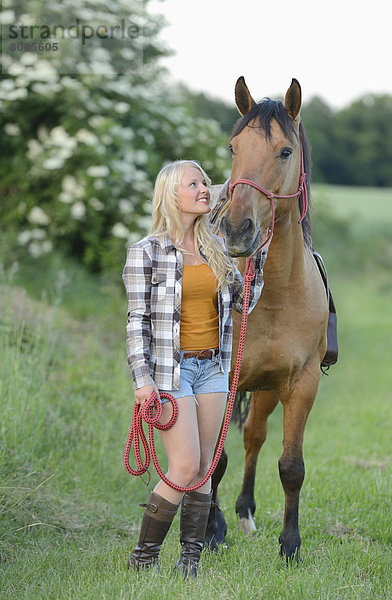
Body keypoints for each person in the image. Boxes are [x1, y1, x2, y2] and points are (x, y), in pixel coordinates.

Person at [122, 160, 267, 578]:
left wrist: (255, 261)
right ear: (172, 194)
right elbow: (136, 323)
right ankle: (144, 556)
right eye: (195, 183)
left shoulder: (215, 248)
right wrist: (142, 380)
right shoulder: (145, 252)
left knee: (206, 465)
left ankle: (190, 561)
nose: (206, 188)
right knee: (184, 466)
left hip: (213, 370)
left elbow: (243, 303)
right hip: (171, 372)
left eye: (206, 182)